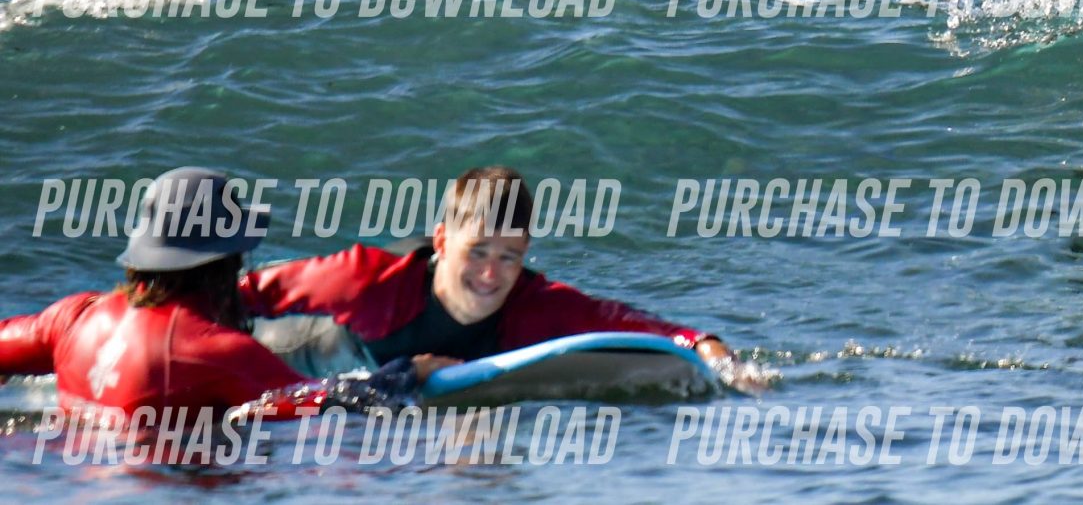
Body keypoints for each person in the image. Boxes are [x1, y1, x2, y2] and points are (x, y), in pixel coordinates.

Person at [0, 167, 420, 426]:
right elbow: (334, 403)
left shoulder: (73, 317)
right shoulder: (216, 350)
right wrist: (409, 373)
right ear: (225, 261)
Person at [239, 165, 739, 380]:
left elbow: (651, 328)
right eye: (477, 252)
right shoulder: (369, 280)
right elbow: (245, 294)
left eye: (509, 256)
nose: (490, 275)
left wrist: (713, 353)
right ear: (441, 241)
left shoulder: (531, 302)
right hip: (278, 351)